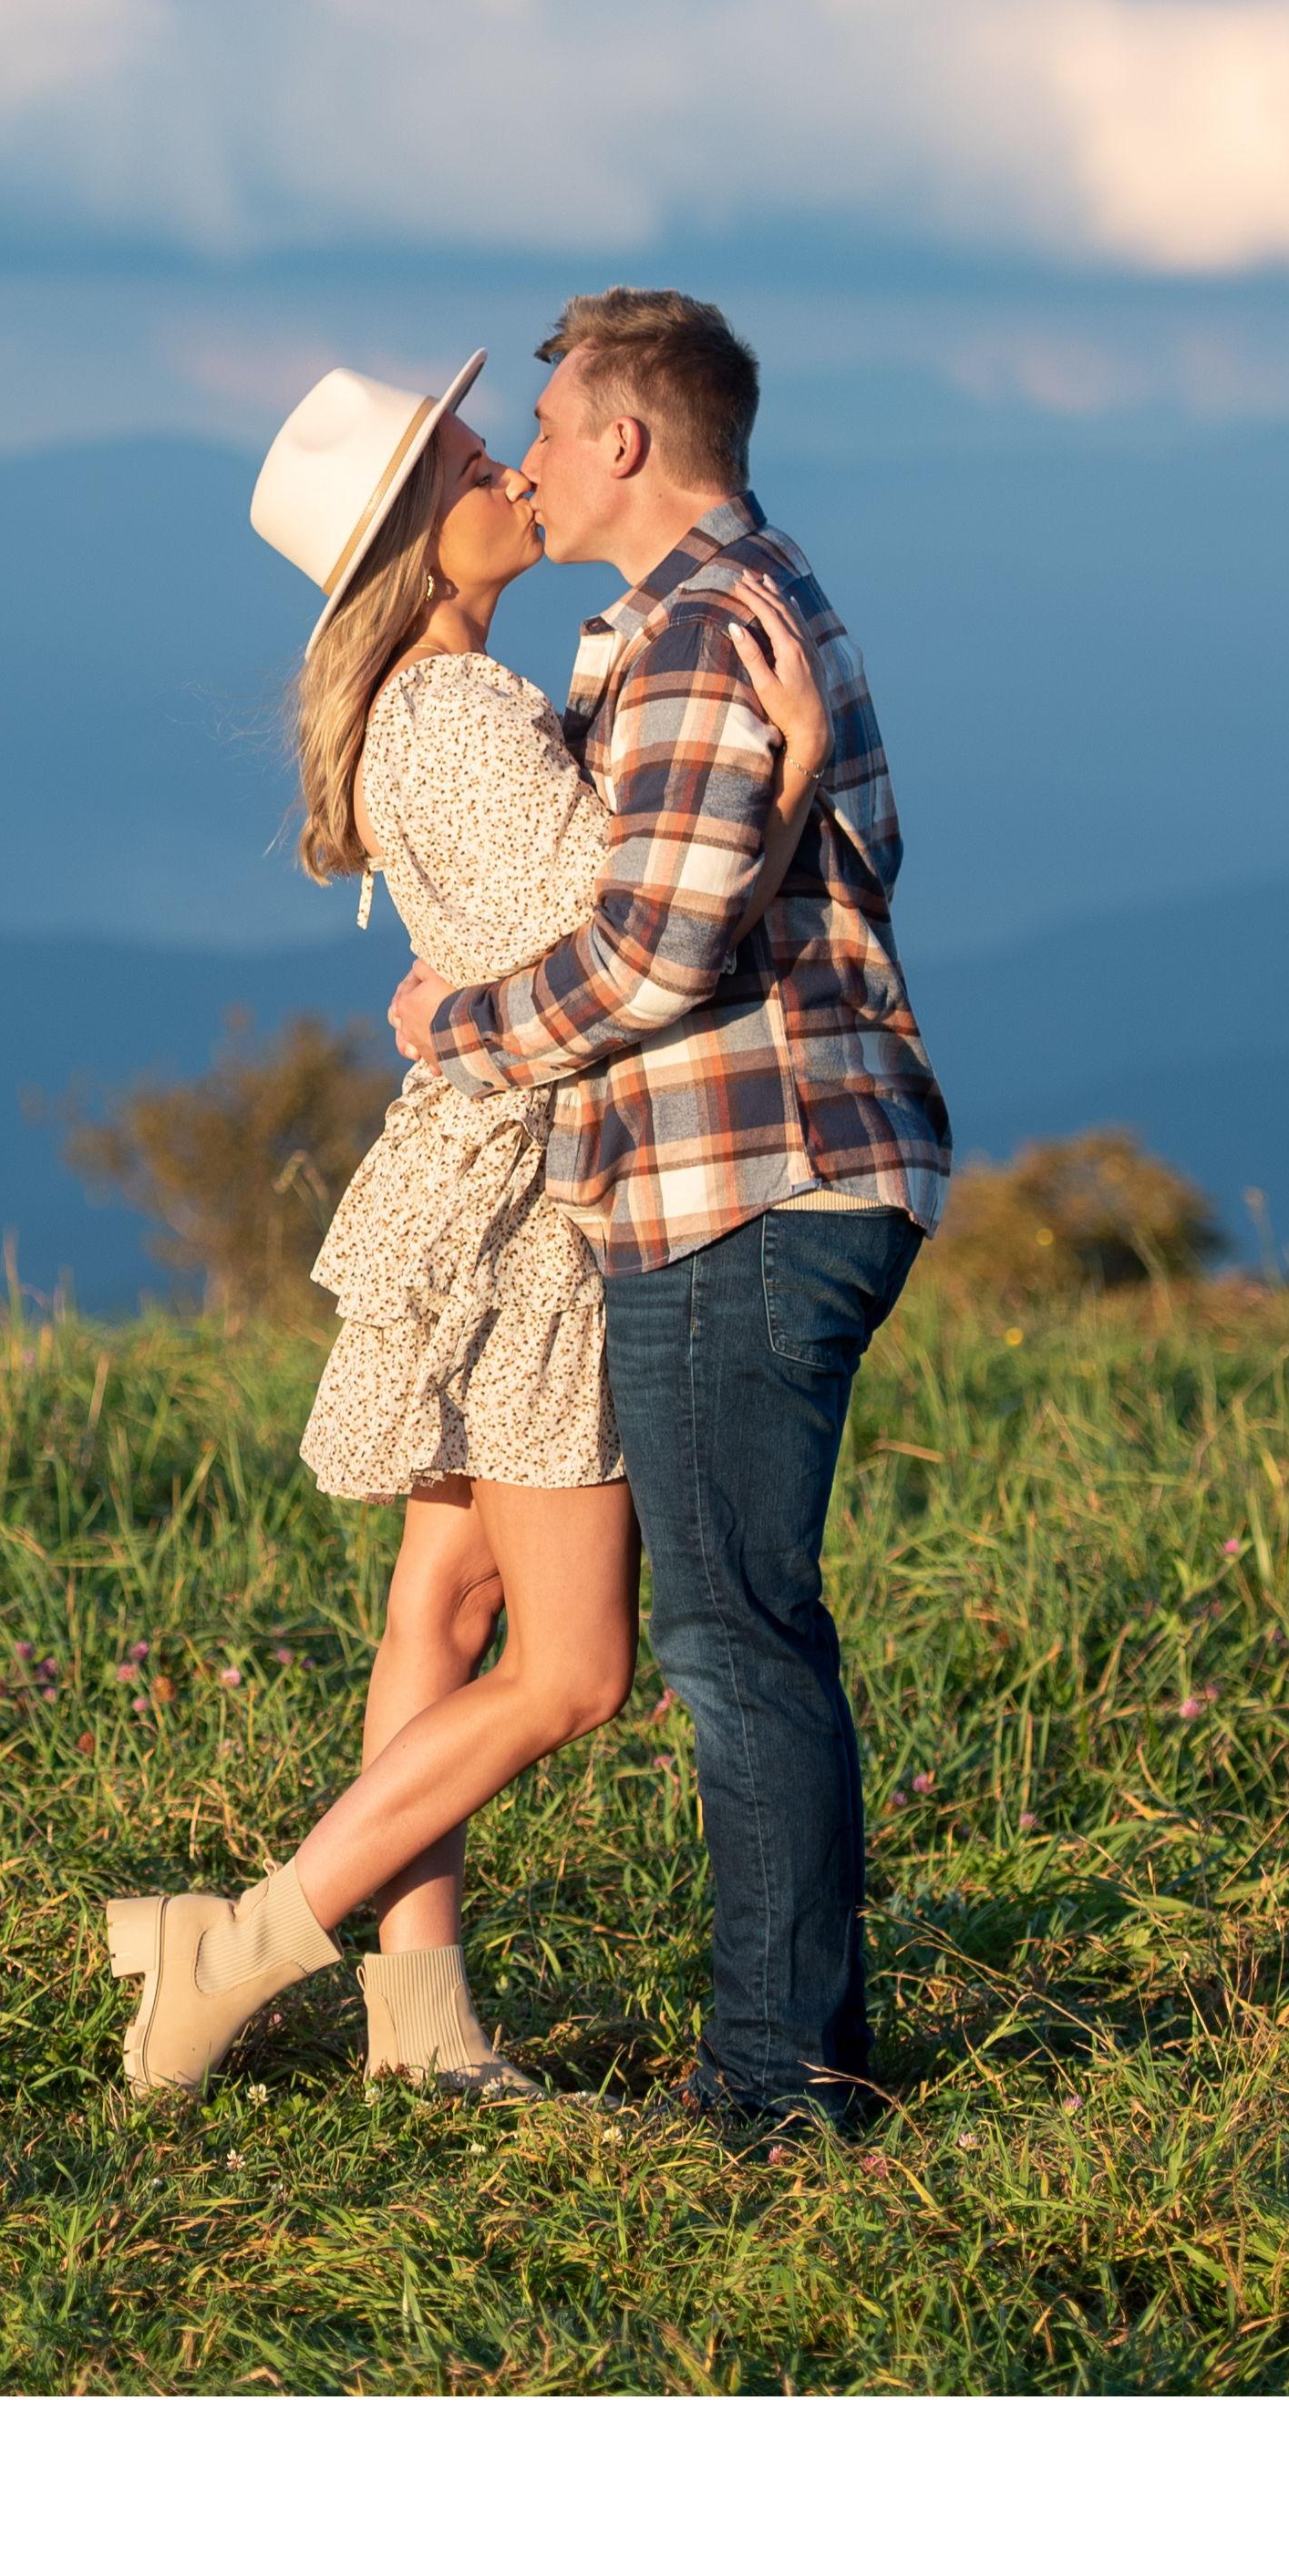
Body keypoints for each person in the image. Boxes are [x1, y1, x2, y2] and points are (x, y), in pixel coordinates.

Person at [102, 349, 835, 2108]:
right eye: (469, 459)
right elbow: (640, 947)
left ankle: (417, 2015)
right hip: (544, 1202)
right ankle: (247, 1941)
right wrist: (790, 767)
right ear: (418, 540)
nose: (514, 466)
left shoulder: (453, 706)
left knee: (442, 1595)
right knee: (572, 1669)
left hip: (482, 1173)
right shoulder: (456, 717)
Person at [397, 287, 946, 2146]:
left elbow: (645, 953)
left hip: (744, 1172)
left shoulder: (709, 631)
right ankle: (805, 2056)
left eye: (546, 432)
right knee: (744, 1627)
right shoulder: (705, 620)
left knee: (728, 1639)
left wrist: (454, 1028)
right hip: (771, 1166)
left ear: (626, 441)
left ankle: (776, 2090)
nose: (529, 463)